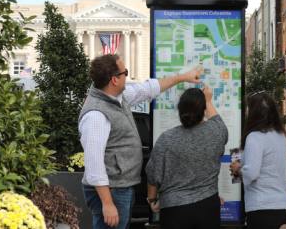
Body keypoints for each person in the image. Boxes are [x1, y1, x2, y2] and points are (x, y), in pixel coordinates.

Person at [79, 54, 201, 229]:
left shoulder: (116, 97)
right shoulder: (96, 115)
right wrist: (107, 203)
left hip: (120, 188)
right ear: (114, 79)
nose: (127, 76)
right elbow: (94, 164)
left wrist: (183, 77)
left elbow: (147, 89)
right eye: (125, 72)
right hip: (111, 191)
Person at [146, 84, 228, 229]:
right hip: (207, 207)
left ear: (180, 111)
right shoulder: (217, 131)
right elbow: (217, 120)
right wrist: (207, 100)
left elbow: (153, 174)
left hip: (174, 210)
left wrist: (152, 199)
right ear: (203, 111)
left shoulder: (166, 138)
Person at [229, 91, 286, 229]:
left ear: (252, 111)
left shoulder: (255, 137)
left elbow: (251, 173)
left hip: (262, 206)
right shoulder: (280, 135)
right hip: (281, 205)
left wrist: (238, 169)